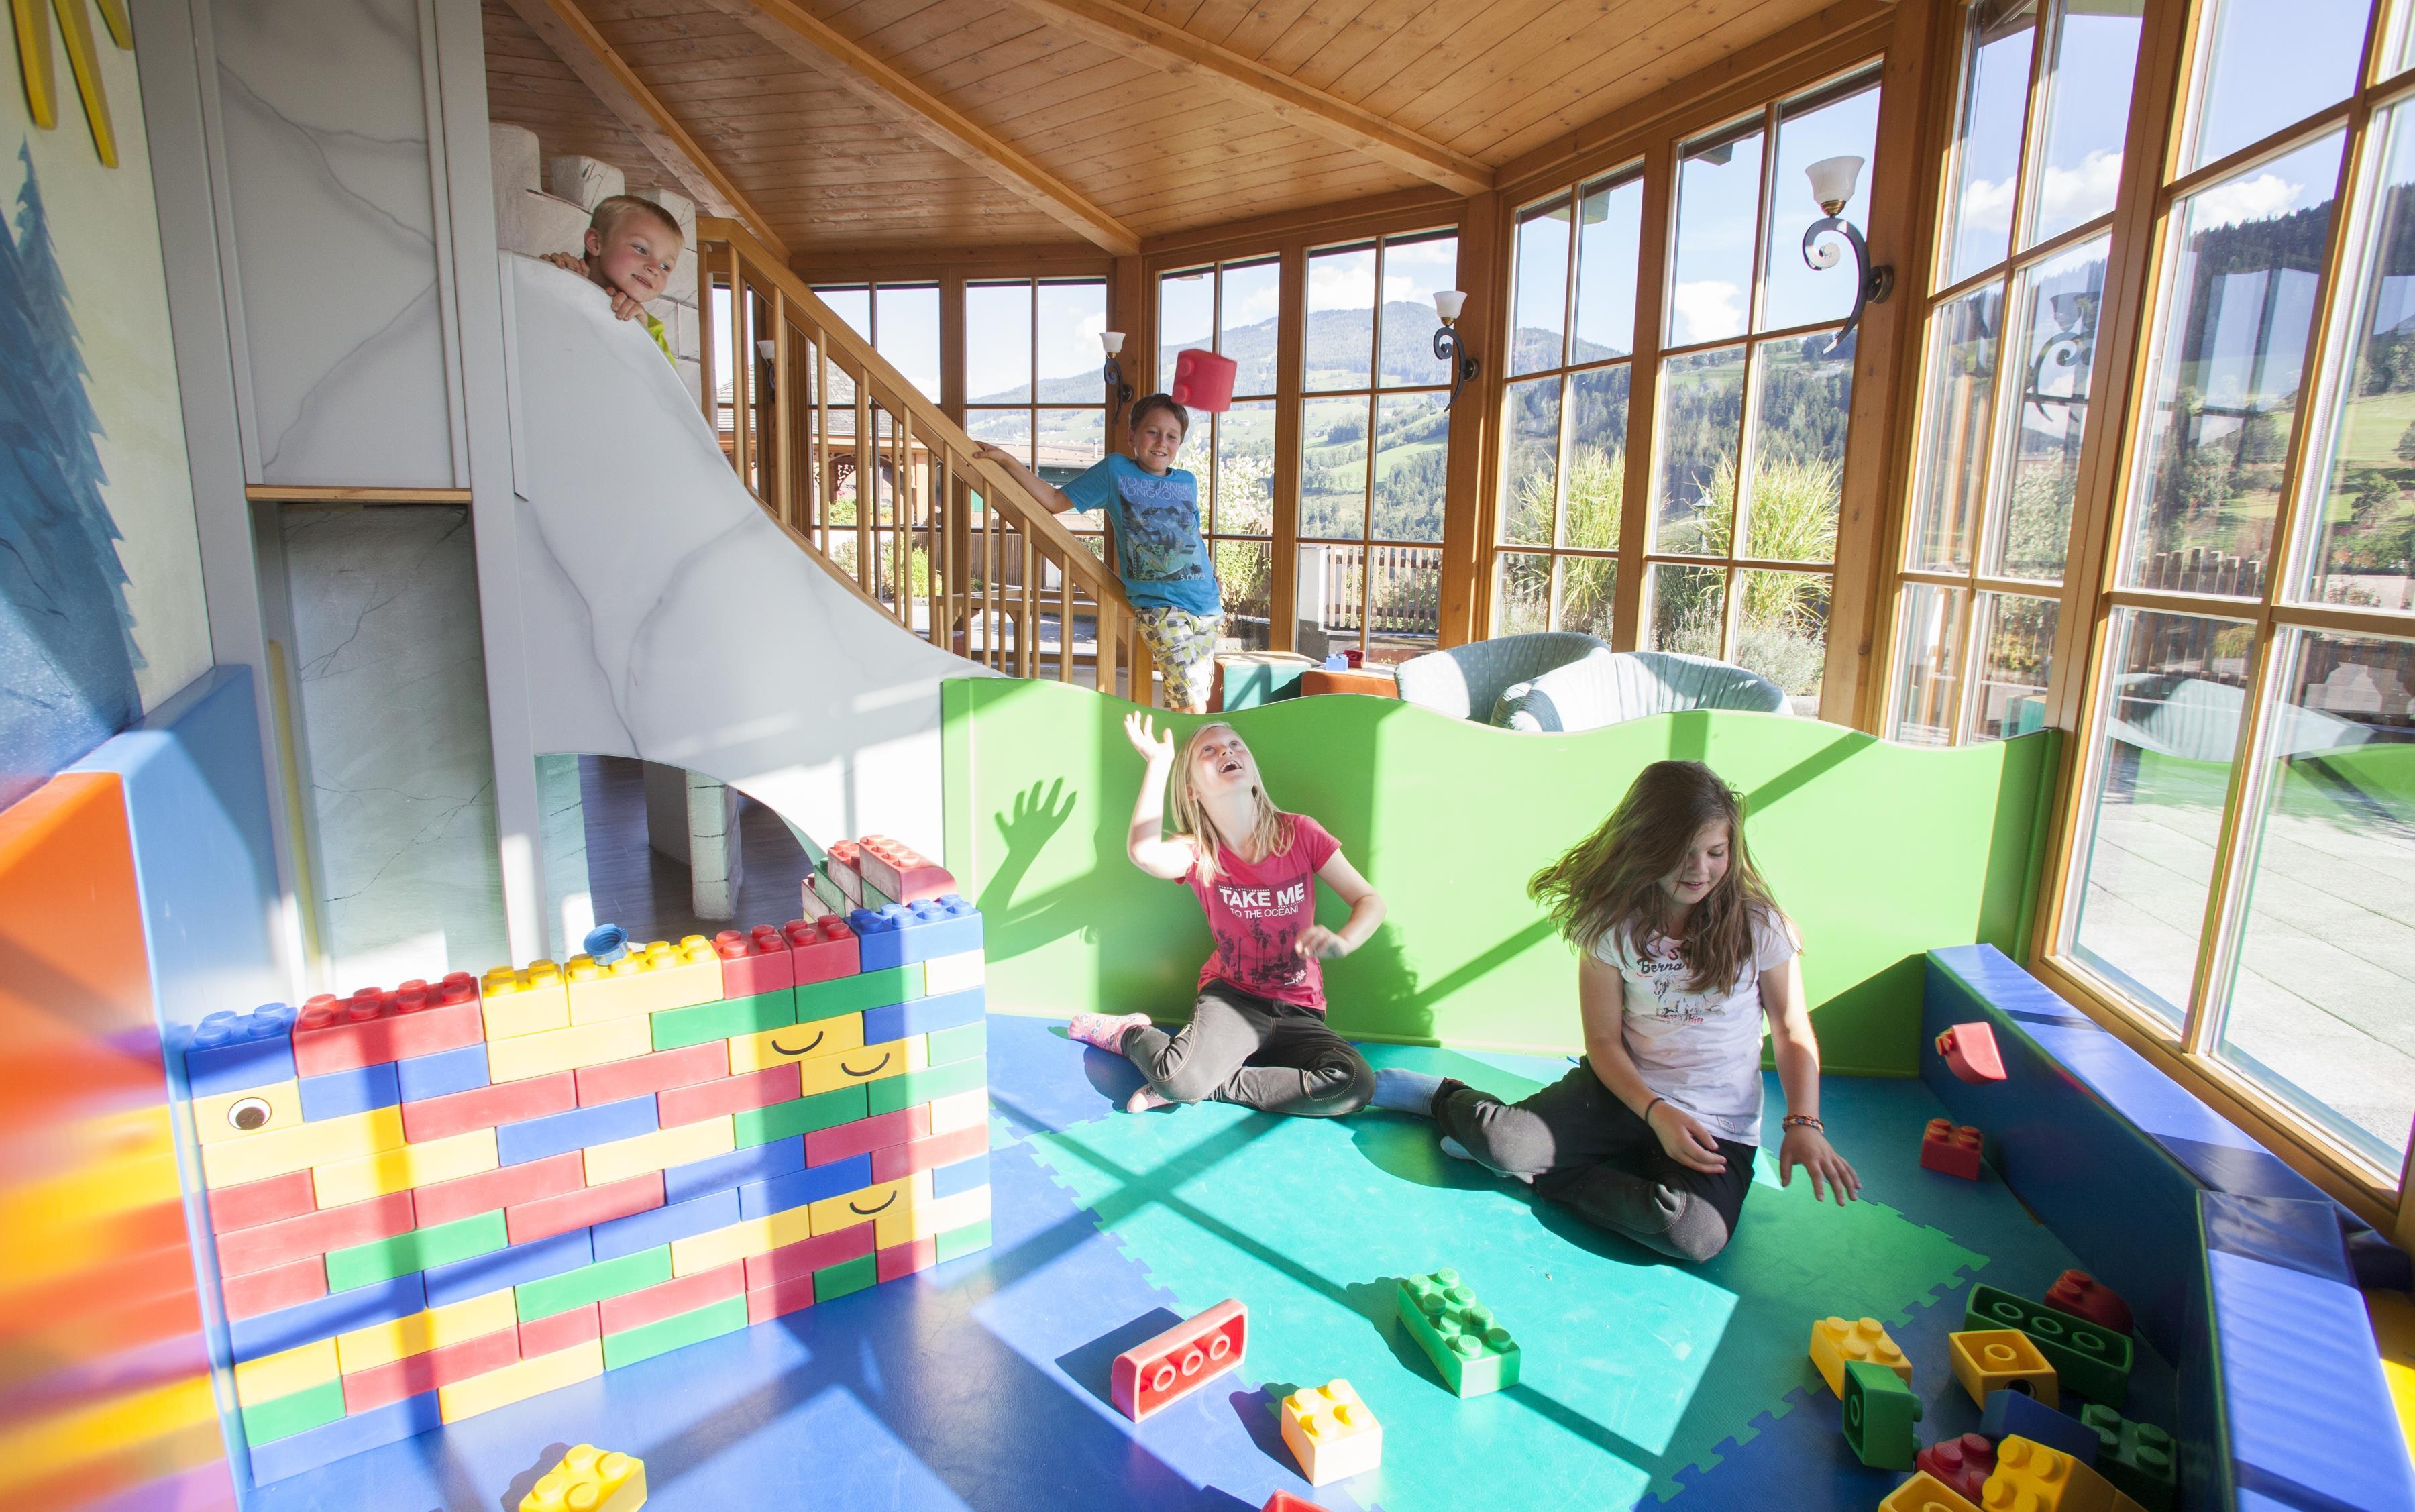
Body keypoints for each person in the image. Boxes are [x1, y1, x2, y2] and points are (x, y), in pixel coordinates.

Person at [1371, 760, 1859, 1263]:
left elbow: (1791, 1028)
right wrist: (1655, 1110)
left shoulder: (1761, 926)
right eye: (1681, 854)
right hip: (1622, 1094)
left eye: (1716, 853)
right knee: (1502, 1143)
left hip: (1716, 1122)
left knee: (1693, 1235)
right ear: (1644, 846)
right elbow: (1603, 1041)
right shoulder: (1611, 927)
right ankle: (1443, 1098)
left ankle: (1544, 1174)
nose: (1700, 870)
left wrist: (1803, 1121)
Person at [1065, 712, 1381, 1116]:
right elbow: (1144, 854)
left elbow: (1369, 900)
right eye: (1209, 751)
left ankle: (1209, 1085)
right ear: (1193, 791)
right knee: (1178, 1079)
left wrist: (1344, 941)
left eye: (1234, 746)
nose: (1226, 752)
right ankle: (1130, 1034)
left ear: (1253, 773)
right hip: (1233, 1000)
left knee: (1353, 1086)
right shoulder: (1199, 852)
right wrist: (1158, 765)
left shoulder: (1300, 833)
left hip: (1300, 1008)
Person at [973, 395, 1221, 712]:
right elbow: (1054, 500)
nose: (1162, 442)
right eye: (1153, 432)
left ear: (1180, 443)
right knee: (1192, 705)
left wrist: (1211, 574)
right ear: (1132, 436)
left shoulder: (1187, 481)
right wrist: (1007, 461)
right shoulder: (1115, 471)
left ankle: (1172, 747)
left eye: (1172, 436)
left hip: (1207, 604)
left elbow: (1192, 535)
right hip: (1162, 608)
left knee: (1193, 702)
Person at [539, 194, 682, 366]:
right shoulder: (560, 283)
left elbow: (663, 383)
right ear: (595, 243)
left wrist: (641, 337)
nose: (655, 269)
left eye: (665, 266)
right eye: (640, 249)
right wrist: (547, 277)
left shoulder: (651, 330)